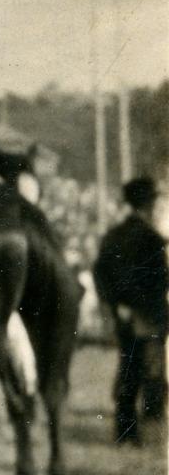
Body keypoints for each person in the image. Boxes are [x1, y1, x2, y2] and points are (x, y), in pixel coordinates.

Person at [94, 176, 169, 445]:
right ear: (149, 205)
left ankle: (125, 432)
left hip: (124, 315)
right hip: (149, 316)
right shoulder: (152, 239)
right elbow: (159, 280)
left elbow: (101, 274)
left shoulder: (112, 237)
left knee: (128, 369)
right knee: (152, 373)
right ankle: (151, 432)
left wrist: (116, 305)